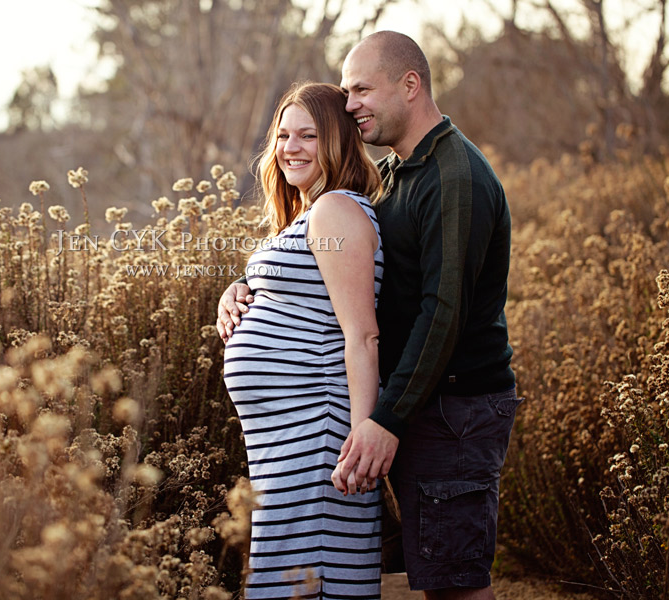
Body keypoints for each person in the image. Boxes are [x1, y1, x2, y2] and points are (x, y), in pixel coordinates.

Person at [217, 31, 520, 599]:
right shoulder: (401, 176)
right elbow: (334, 268)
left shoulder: (454, 177)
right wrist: (242, 285)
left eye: (360, 89)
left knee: (453, 583)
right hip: (412, 404)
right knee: (429, 576)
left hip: (451, 407)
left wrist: (381, 421)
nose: (349, 102)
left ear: (410, 85)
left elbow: (443, 315)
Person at [222, 81, 385, 599]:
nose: (290, 147)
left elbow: (361, 332)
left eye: (308, 136)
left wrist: (363, 434)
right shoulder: (310, 216)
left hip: (317, 440)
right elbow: (308, 294)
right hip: (281, 446)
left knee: (309, 583)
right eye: (284, 135)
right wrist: (242, 290)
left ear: (336, 141)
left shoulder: (336, 209)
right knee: (287, 580)